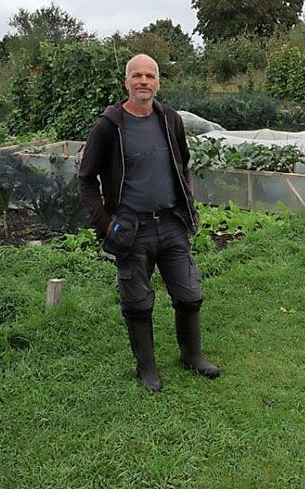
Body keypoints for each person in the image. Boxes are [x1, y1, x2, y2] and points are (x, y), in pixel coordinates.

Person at [78, 53, 220, 392]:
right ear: (126, 82)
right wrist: (105, 223)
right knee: (138, 303)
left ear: (158, 82)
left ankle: (192, 355)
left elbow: (181, 163)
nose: (144, 81)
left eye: (150, 76)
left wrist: (186, 199)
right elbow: (86, 179)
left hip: (170, 222)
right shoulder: (109, 126)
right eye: (137, 75)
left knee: (189, 295)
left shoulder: (169, 119)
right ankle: (147, 369)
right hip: (131, 227)